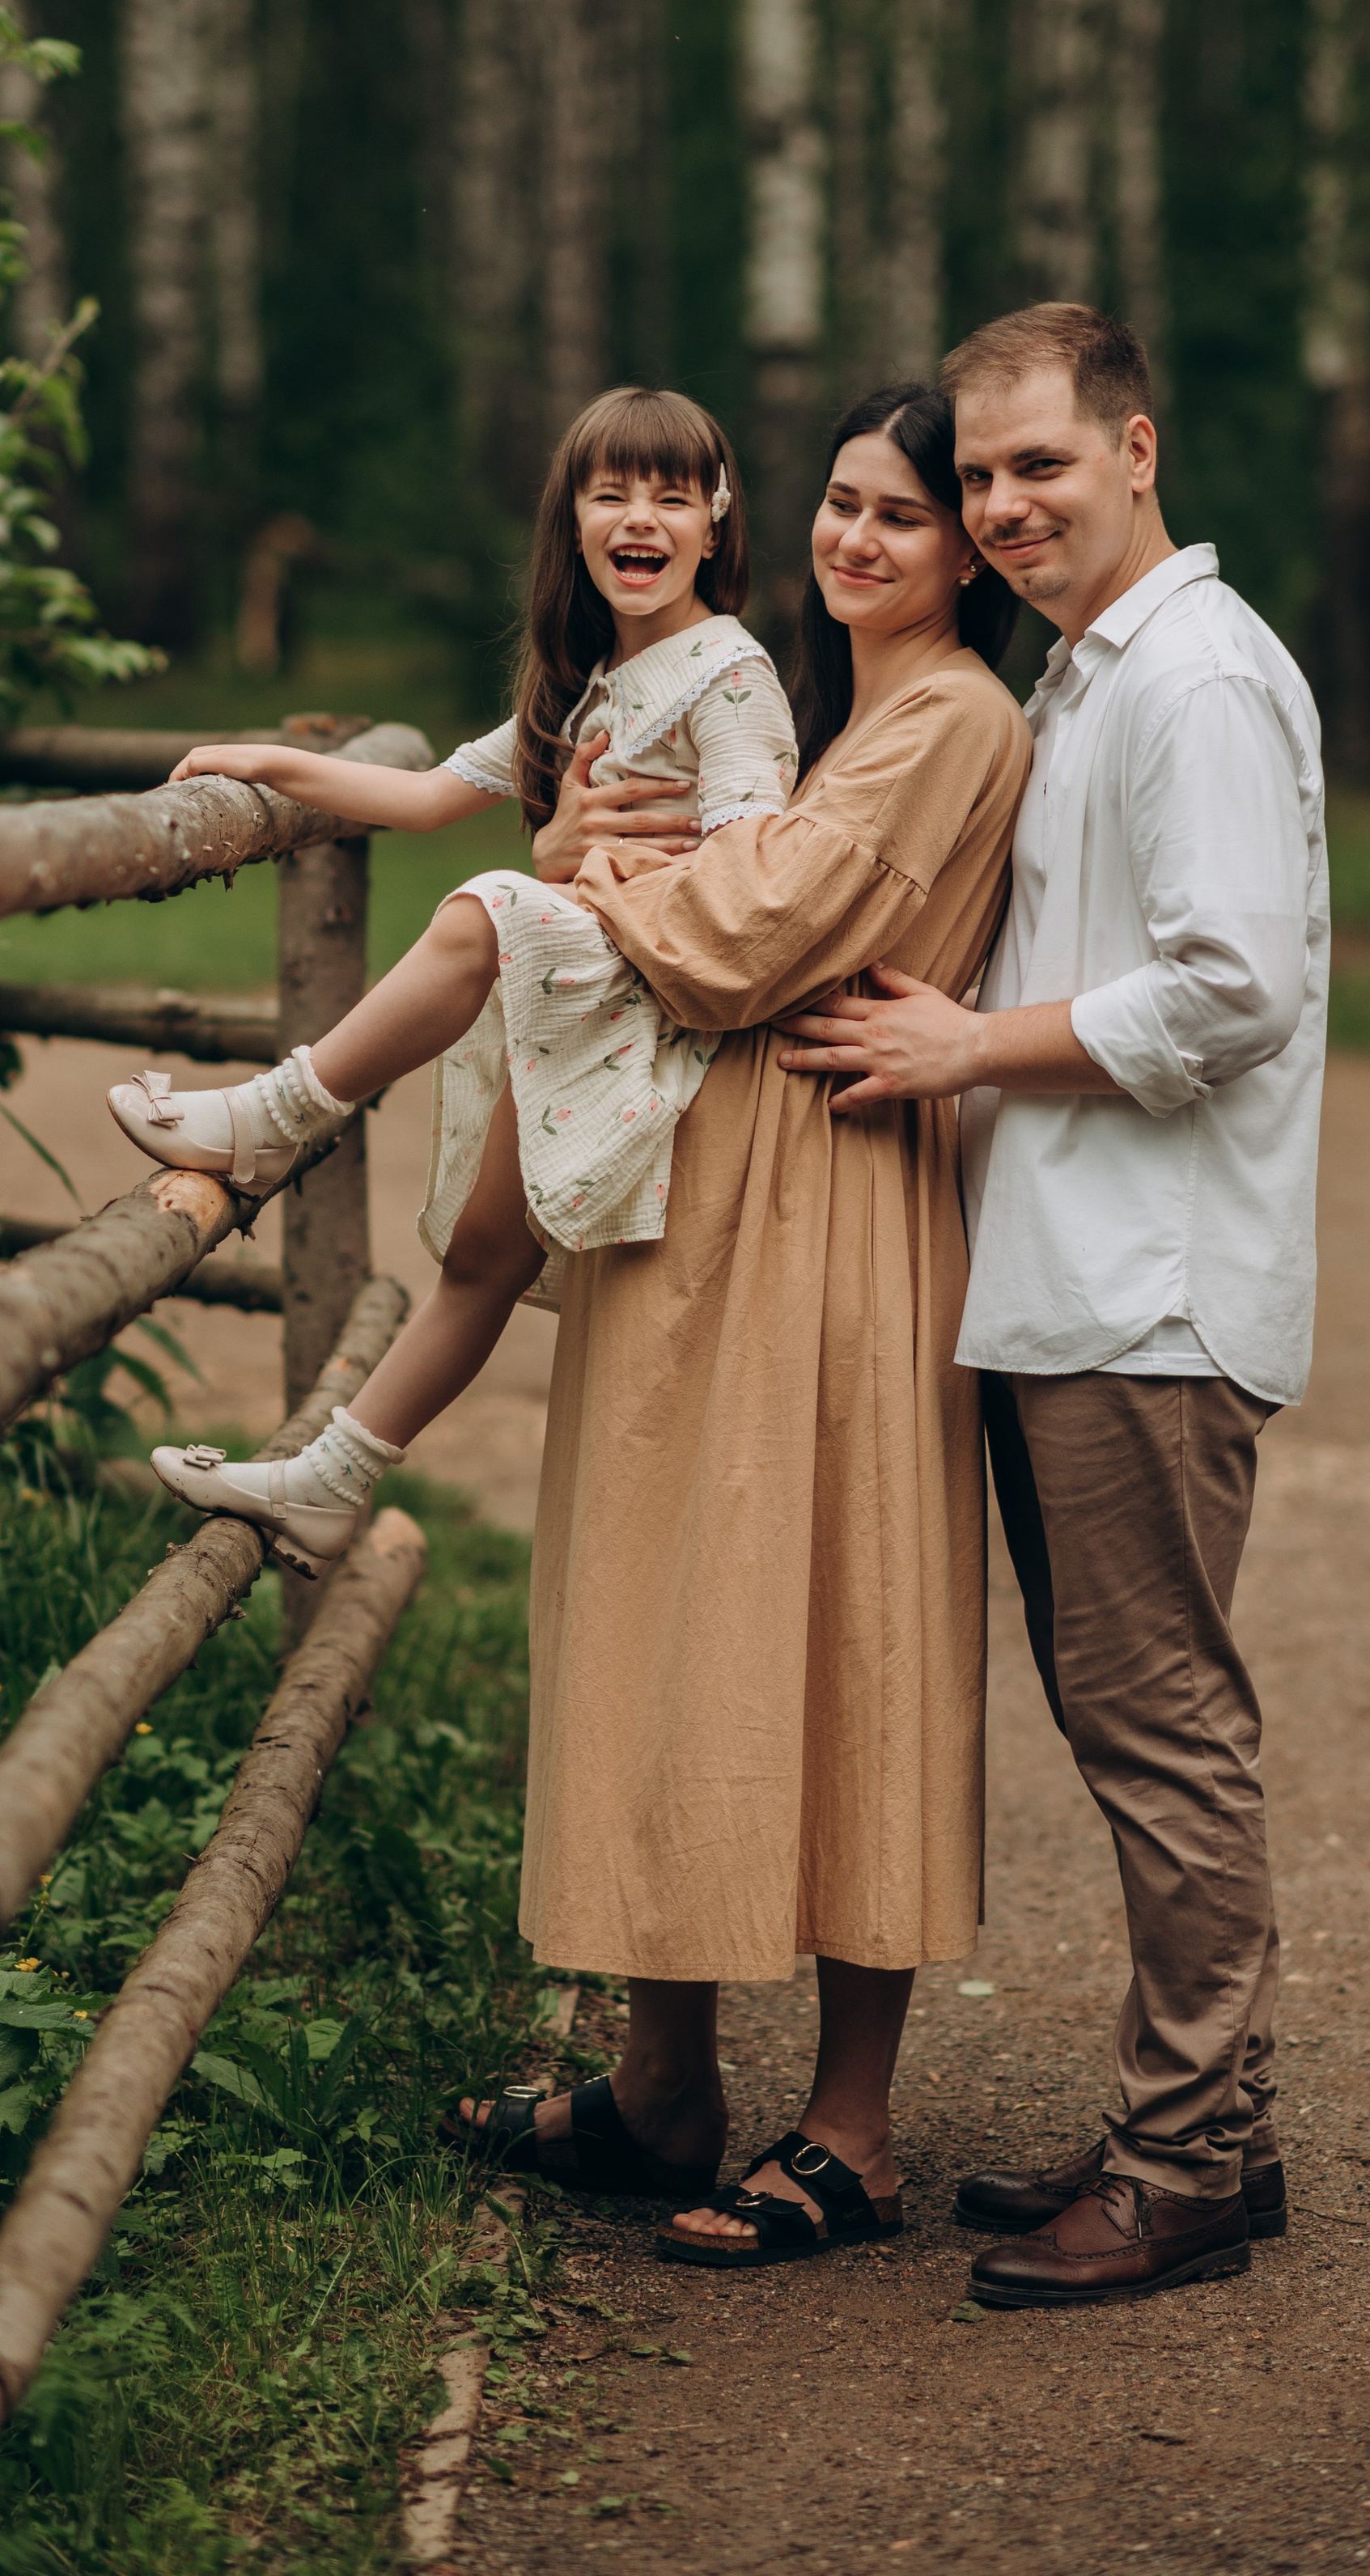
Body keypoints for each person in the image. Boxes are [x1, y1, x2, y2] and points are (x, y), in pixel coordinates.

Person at [779, 304, 1328, 2308]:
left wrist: (969, 1047)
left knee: (1160, 1733)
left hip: (1145, 1295)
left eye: (1038, 468)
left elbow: (1229, 987)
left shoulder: (1187, 676)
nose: (1003, 508)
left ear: (1135, 450)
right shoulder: (1098, 674)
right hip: (1074, 1282)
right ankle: (1214, 2135)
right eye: (981, 477)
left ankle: (1182, 2166)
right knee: (1134, 1725)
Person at [452, 383, 1029, 2253]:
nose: (859, 541)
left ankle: (850, 2131)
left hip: (837, 1210)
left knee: (845, 1618)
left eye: (905, 517)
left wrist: (583, 868)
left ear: (967, 552)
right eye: (843, 506)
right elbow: (721, 899)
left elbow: (747, 931)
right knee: (668, 1610)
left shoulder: (950, 715)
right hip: (711, 1207)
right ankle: (658, 2086)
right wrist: (603, 860)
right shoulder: (835, 702)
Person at [112, 385, 796, 1578]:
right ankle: (333, 1484)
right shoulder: (590, 682)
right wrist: (264, 758)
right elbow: (429, 793)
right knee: (482, 1260)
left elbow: (756, 861)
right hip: (587, 993)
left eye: (672, 496)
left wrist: (607, 866)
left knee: (487, 907)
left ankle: (279, 1119)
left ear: (717, 520)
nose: (642, 518)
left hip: (655, 1010)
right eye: (612, 493)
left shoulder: (728, 675)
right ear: (573, 519)